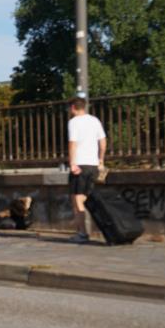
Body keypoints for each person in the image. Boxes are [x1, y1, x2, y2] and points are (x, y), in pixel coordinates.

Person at [67, 97, 107, 243]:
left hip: (80, 165)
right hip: (93, 165)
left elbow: (73, 144)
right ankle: (81, 228)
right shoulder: (95, 120)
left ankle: (83, 233)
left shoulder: (74, 122)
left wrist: (72, 163)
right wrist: (101, 159)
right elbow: (102, 142)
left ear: (72, 107)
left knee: (77, 199)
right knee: (84, 197)